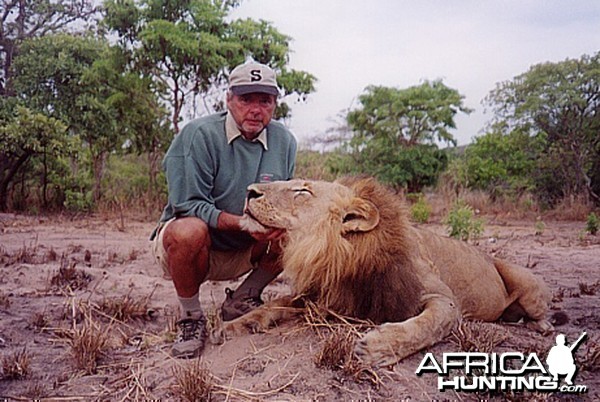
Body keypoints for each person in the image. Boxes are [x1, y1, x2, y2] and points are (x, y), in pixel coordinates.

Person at [150, 61, 297, 358]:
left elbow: (284, 201)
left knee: (298, 231)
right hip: (196, 247)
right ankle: (191, 319)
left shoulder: (285, 141)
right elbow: (187, 204)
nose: (255, 109)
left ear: (274, 104)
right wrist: (245, 224)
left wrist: (276, 224)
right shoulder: (198, 134)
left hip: (246, 247)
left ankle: (244, 298)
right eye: (246, 99)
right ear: (229, 99)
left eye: (264, 101)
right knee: (188, 230)